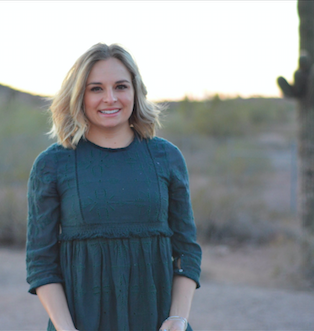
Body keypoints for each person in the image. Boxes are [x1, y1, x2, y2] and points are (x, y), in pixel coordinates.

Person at [26, 43, 202, 331]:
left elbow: (187, 250)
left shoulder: (166, 157)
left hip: (159, 323)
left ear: (135, 91)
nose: (110, 98)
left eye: (120, 86)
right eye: (96, 88)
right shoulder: (52, 165)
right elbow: (41, 262)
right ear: (79, 96)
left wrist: (178, 318)